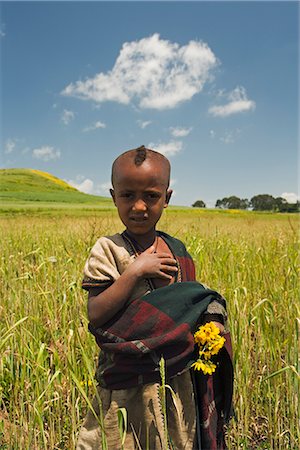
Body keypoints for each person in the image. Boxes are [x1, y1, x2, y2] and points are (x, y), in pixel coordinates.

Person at [77, 146, 233, 450]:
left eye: (151, 196)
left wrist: (212, 316)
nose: (138, 206)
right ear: (113, 196)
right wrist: (135, 271)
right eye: (127, 195)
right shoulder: (108, 250)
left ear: (167, 197)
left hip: (176, 383)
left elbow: (192, 302)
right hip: (124, 384)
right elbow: (96, 313)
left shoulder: (177, 250)